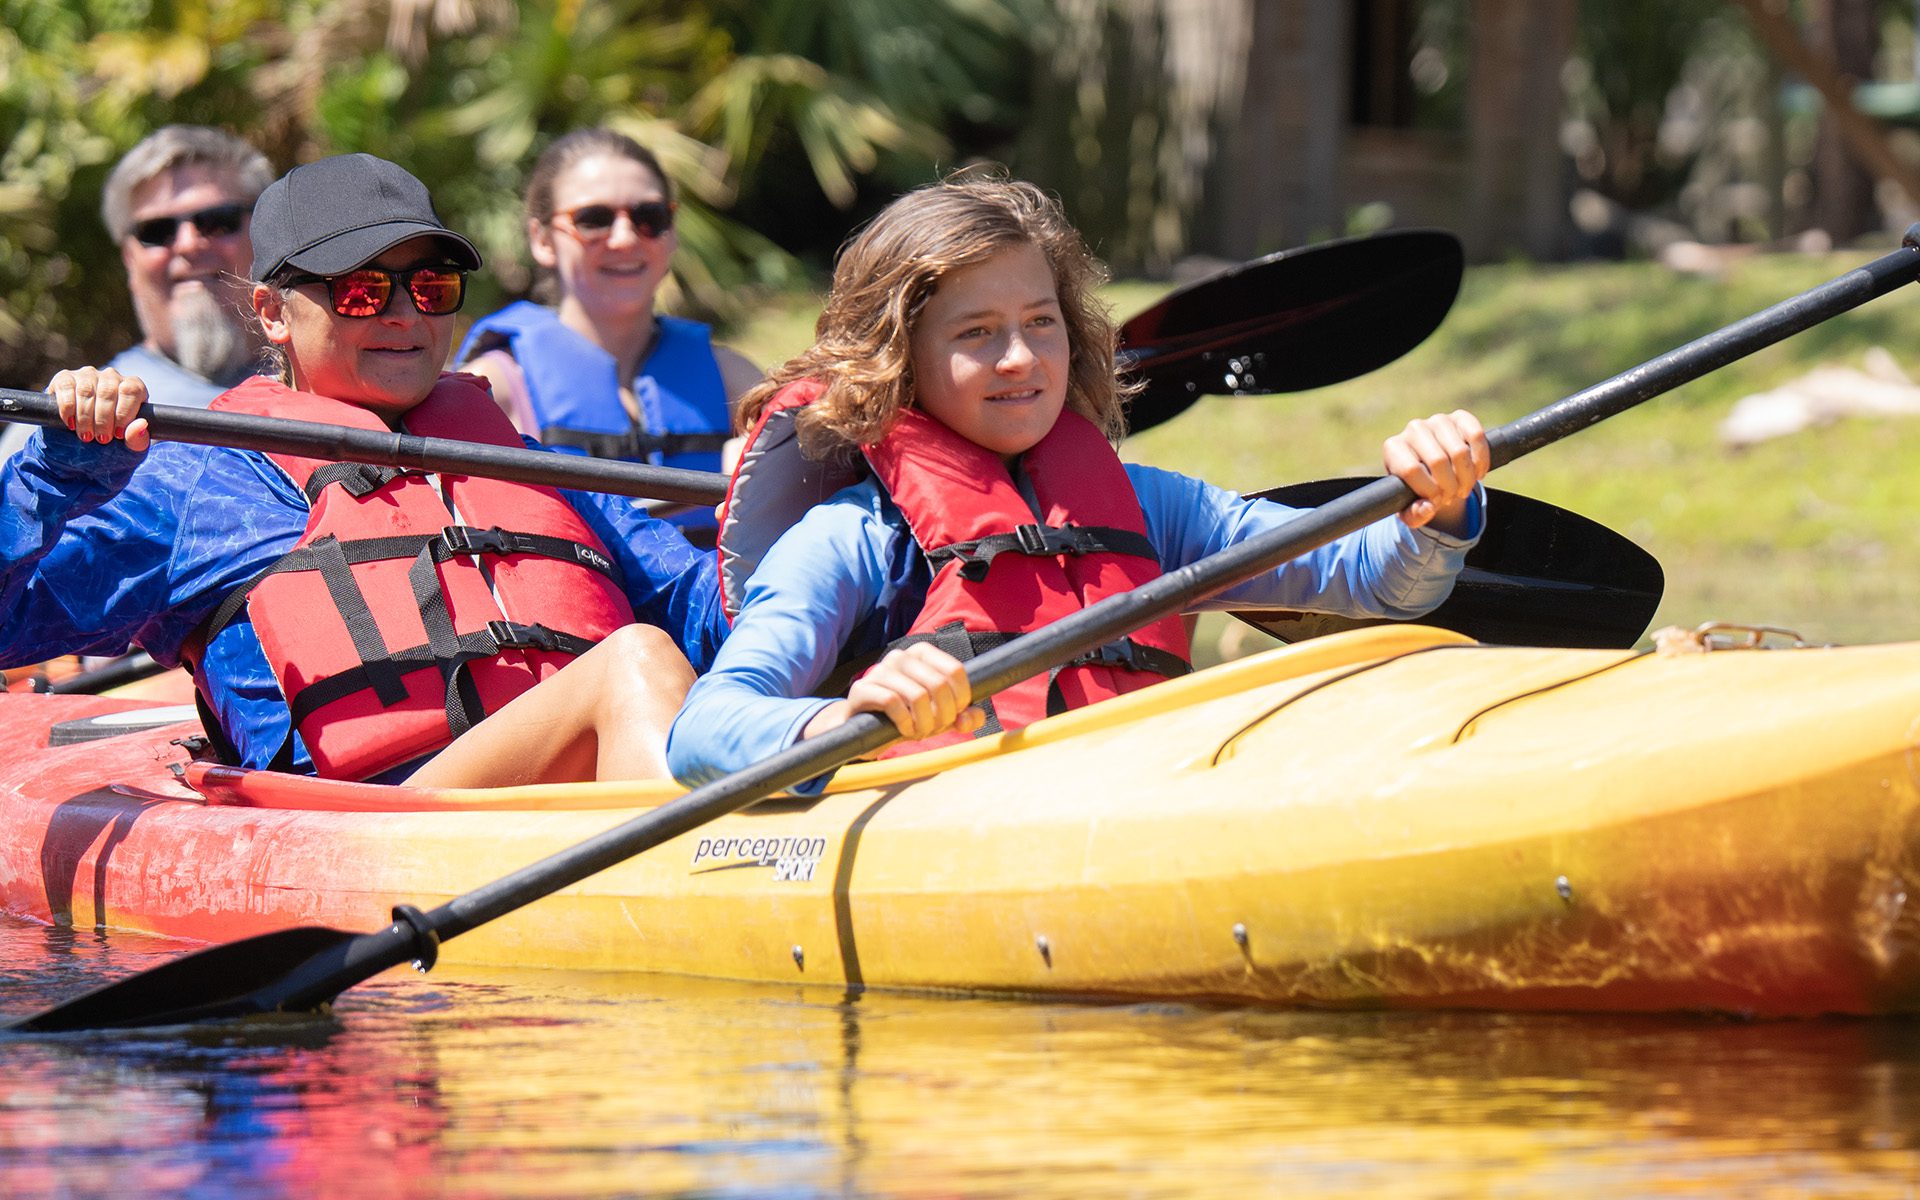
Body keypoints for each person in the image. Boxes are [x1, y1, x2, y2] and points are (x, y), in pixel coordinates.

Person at [666, 176, 1491, 792]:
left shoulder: (1152, 509)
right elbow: (704, 729)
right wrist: (840, 721)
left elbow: (1372, 577)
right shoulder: (852, 539)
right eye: (977, 334)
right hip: (955, 826)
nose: (1021, 358)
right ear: (900, 362)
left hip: (1141, 800)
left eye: (1040, 322)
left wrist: (1437, 504)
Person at [0, 153, 728, 787]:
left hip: (569, 798)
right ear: (273, 312)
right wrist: (55, 477)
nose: (406, 315)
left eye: (432, 287)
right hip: (383, 823)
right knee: (635, 662)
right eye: (361, 291)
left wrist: (815, 521)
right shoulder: (197, 485)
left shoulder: (524, 462)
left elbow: (709, 607)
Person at [456, 128, 760, 543]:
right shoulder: (493, 391)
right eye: (593, 220)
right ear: (542, 240)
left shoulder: (735, 381)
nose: (625, 238)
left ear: (671, 234)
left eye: (649, 218)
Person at [0, 126, 273, 461]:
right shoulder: (66, 424)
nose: (188, 244)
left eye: (217, 220)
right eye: (155, 231)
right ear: (129, 260)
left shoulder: (337, 387)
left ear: (266, 234)